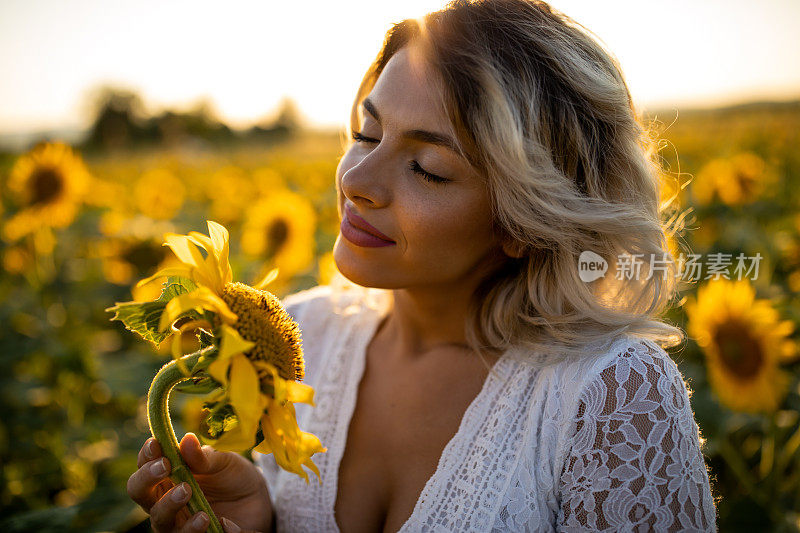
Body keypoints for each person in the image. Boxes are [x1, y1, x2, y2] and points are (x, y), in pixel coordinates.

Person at [127, 0, 717, 531]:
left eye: (428, 168)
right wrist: (260, 523)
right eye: (366, 132)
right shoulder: (299, 338)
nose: (356, 182)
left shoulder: (608, 394)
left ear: (524, 221)